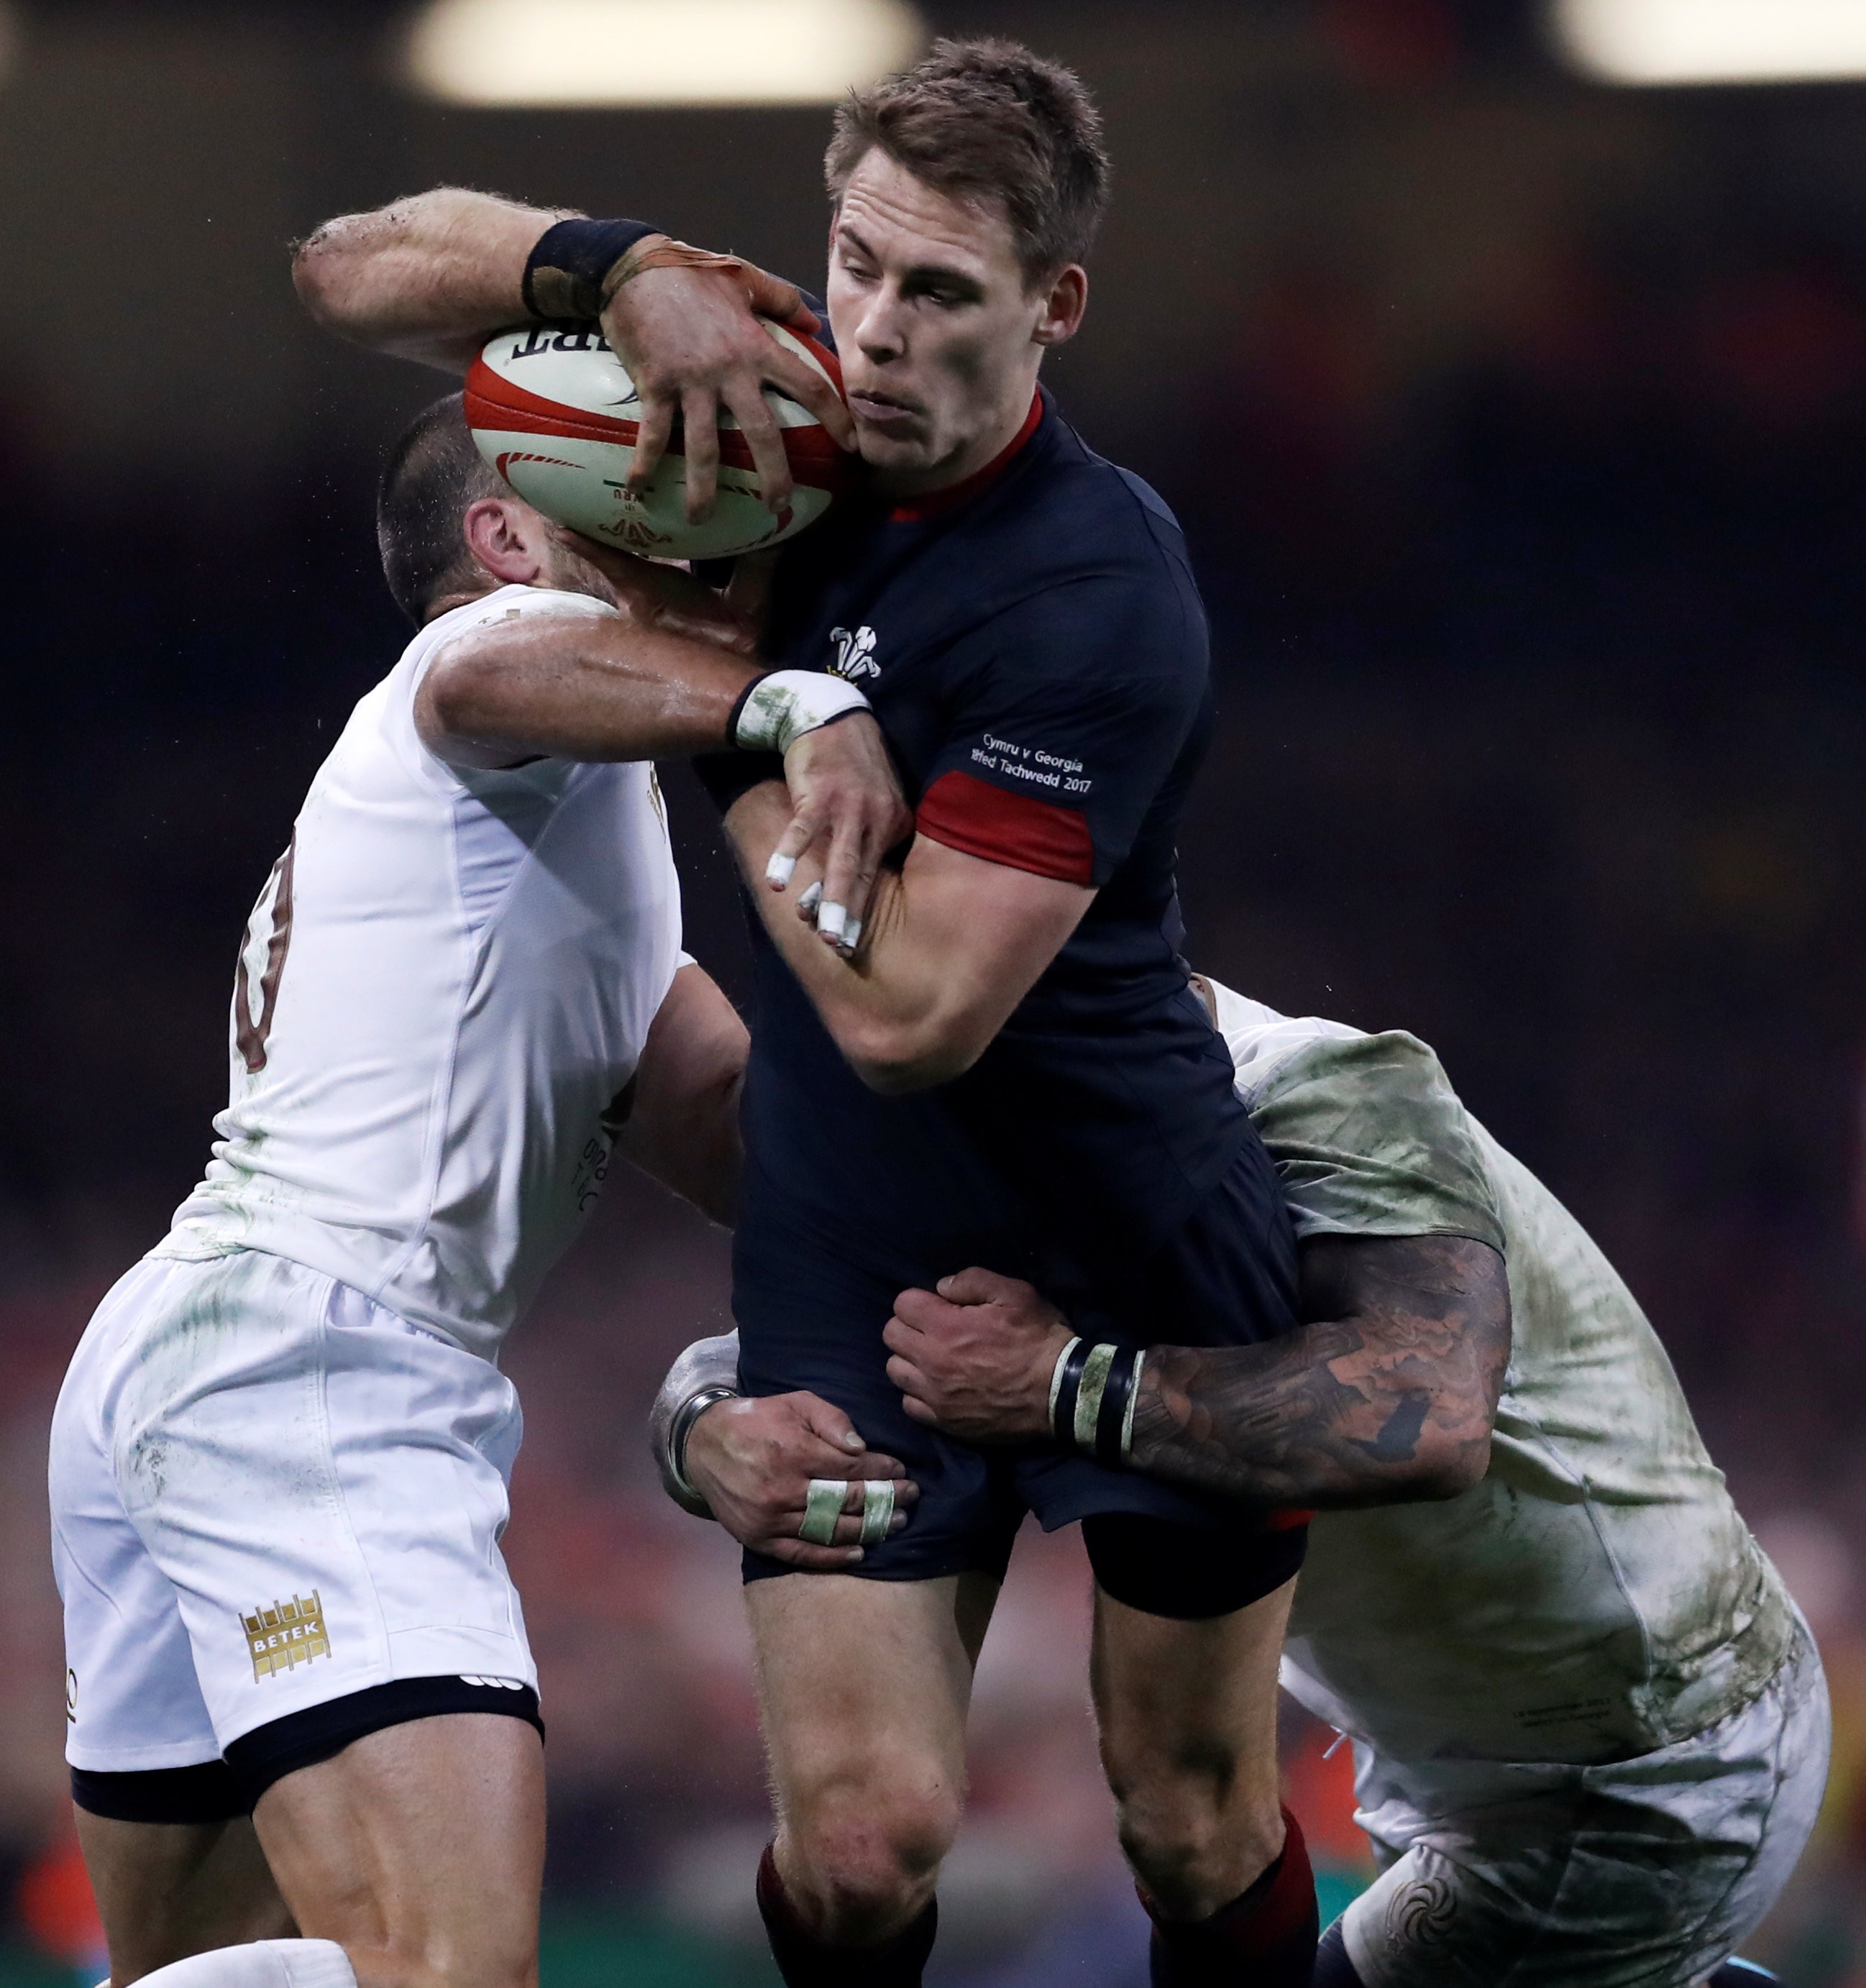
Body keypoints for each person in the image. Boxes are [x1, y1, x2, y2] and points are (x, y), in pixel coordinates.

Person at [295, 37, 1325, 1988]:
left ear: (1051, 303)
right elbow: (349, 269)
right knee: (857, 1848)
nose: (873, 325)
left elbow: (919, 1009)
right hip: (859, 1232)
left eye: (937, 288)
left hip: (1136, 1227)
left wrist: (766, 711)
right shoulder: (755, 410)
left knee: (1190, 1817)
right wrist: (609, 266)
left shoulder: (1102, 587)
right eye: (852, 259)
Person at [49, 397, 907, 1988]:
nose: (683, 522)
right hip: (318, 1359)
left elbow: (732, 1135)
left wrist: (991, 1083)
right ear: (507, 535)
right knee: (442, 1971)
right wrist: (796, 704)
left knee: (222, 1961)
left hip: (206, 1350)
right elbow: (492, 666)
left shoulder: (559, 829)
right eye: (627, 492)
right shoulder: (493, 664)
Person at [654, 974, 1828, 1988]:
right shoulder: (986, 1116)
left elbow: (1430, 1418)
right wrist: (696, 1419)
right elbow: (858, 1346)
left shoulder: (1331, 1094)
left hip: (1647, 1772)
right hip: (1474, 1776)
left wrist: (1064, 1383)